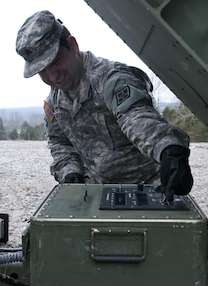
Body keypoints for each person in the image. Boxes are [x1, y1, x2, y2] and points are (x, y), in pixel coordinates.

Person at [15, 10, 193, 202]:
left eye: (56, 61)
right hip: (96, 195)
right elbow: (60, 142)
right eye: (42, 70)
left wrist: (168, 149)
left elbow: (136, 117)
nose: (52, 76)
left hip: (149, 190)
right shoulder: (55, 101)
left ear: (73, 45)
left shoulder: (112, 80)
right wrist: (70, 172)